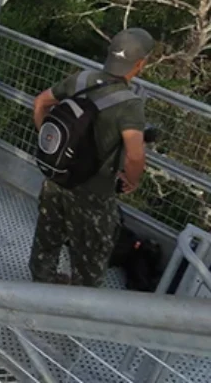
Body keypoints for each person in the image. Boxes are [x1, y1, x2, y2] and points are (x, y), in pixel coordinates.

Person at [29, 28, 154, 287]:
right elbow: (134, 155)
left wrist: (51, 145)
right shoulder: (130, 104)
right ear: (140, 63)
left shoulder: (81, 79)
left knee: (47, 238)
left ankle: (41, 282)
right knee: (91, 257)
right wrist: (132, 180)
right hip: (93, 192)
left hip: (57, 179)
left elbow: (40, 103)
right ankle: (78, 302)